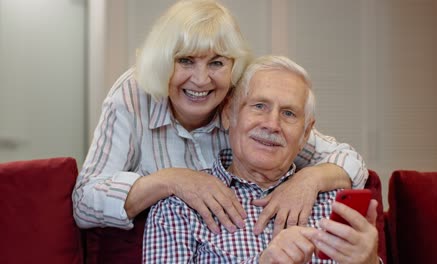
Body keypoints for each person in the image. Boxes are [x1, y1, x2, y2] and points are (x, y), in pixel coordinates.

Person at [72, 0, 368, 237]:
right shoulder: (133, 94)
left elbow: (348, 160)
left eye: (216, 63)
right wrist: (171, 180)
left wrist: (309, 179)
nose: (201, 80)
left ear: (233, 67)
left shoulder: (246, 105)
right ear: (163, 61)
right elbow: (84, 202)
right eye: (185, 60)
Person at [142, 55, 379, 264]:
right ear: (229, 114)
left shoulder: (334, 206)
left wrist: (368, 262)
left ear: (305, 133)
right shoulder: (180, 206)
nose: (272, 124)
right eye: (259, 106)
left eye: (288, 113)